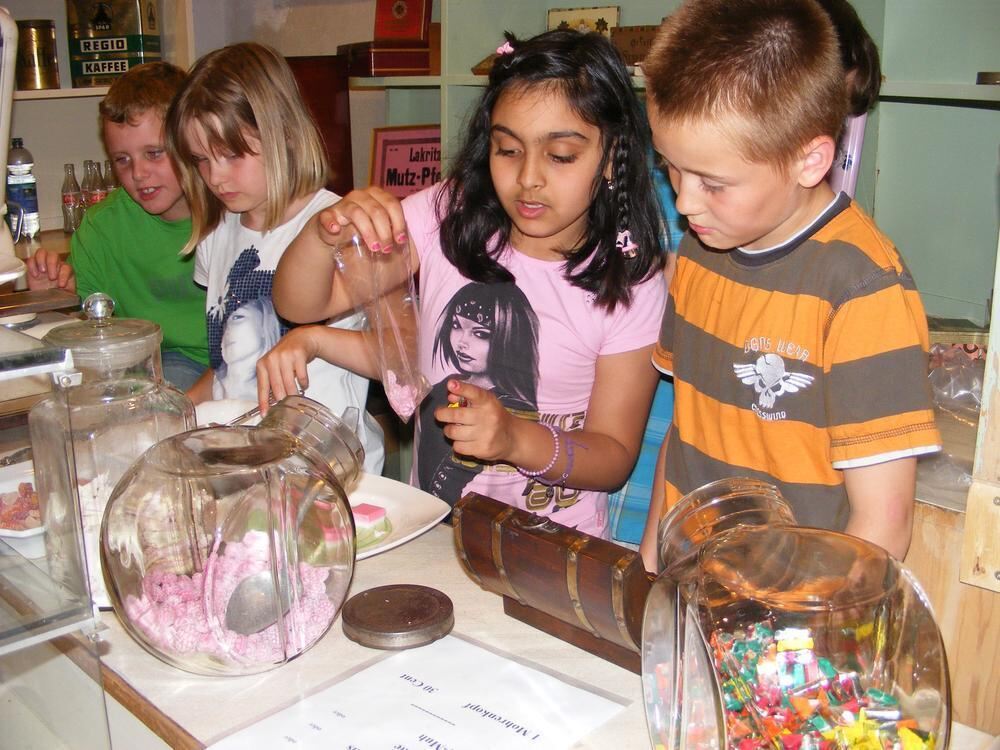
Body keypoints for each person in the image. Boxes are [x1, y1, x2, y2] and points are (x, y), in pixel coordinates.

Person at [267, 30, 667, 538]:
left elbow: (613, 455)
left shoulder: (630, 282)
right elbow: (302, 304)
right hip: (435, 531)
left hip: (552, 548)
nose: (528, 178)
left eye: (561, 155)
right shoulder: (447, 216)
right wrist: (322, 235)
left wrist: (515, 440)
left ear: (611, 156)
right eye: (508, 149)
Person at [637, 0, 940, 568]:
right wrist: (649, 568)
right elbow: (684, 433)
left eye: (713, 182)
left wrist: (806, 618)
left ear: (809, 161)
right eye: (670, 165)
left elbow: (883, 522)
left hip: (798, 603)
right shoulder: (700, 248)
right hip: (692, 582)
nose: (684, 202)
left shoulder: (861, 290)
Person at [165, 41, 384, 474]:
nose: (215, 177)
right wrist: (177, 414)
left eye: (231, 155)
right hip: (245, 461)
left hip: (327, 468)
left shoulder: (338, 227)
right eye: (201, 160)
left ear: (283, 134)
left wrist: (314, 340)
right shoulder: (216, 233)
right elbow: (227, 369)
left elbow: (394, 359)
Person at [25, 62, 209, 390]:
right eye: (122, 159)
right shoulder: (101, 228)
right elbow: (85, 336)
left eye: (154, 153)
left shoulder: (229, 211)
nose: (138, 173)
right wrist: (52, 302)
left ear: (190, 141)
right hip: (142, 367)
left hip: (226, 366)